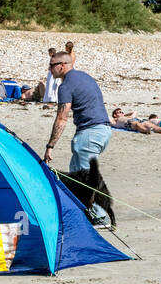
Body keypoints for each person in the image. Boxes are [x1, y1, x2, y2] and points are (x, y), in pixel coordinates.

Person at [42, 52, 112, 224]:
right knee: (78, 175)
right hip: (103, 131)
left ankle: (99, 217)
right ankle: (82, 213)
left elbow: (62, 118)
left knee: (86, 180)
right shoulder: (85, 77)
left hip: (89, 134)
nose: (49, 69)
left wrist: (50, 145)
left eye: (52, 65)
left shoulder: (65, 87)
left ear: (62, 65)